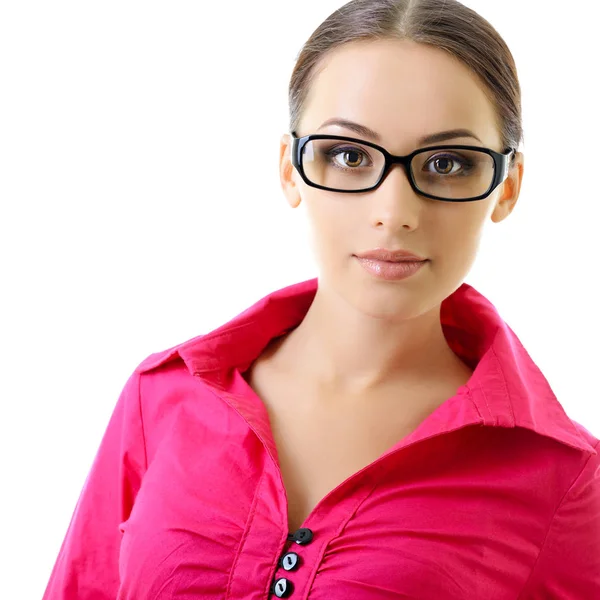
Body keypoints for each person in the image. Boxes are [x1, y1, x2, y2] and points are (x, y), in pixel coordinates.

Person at [42, 0, 599, 598]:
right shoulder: (162, 399)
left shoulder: (568, 480)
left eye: (448, 163)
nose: (394, 214)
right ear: (289, 168)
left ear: (506, 187)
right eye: (349, 155)